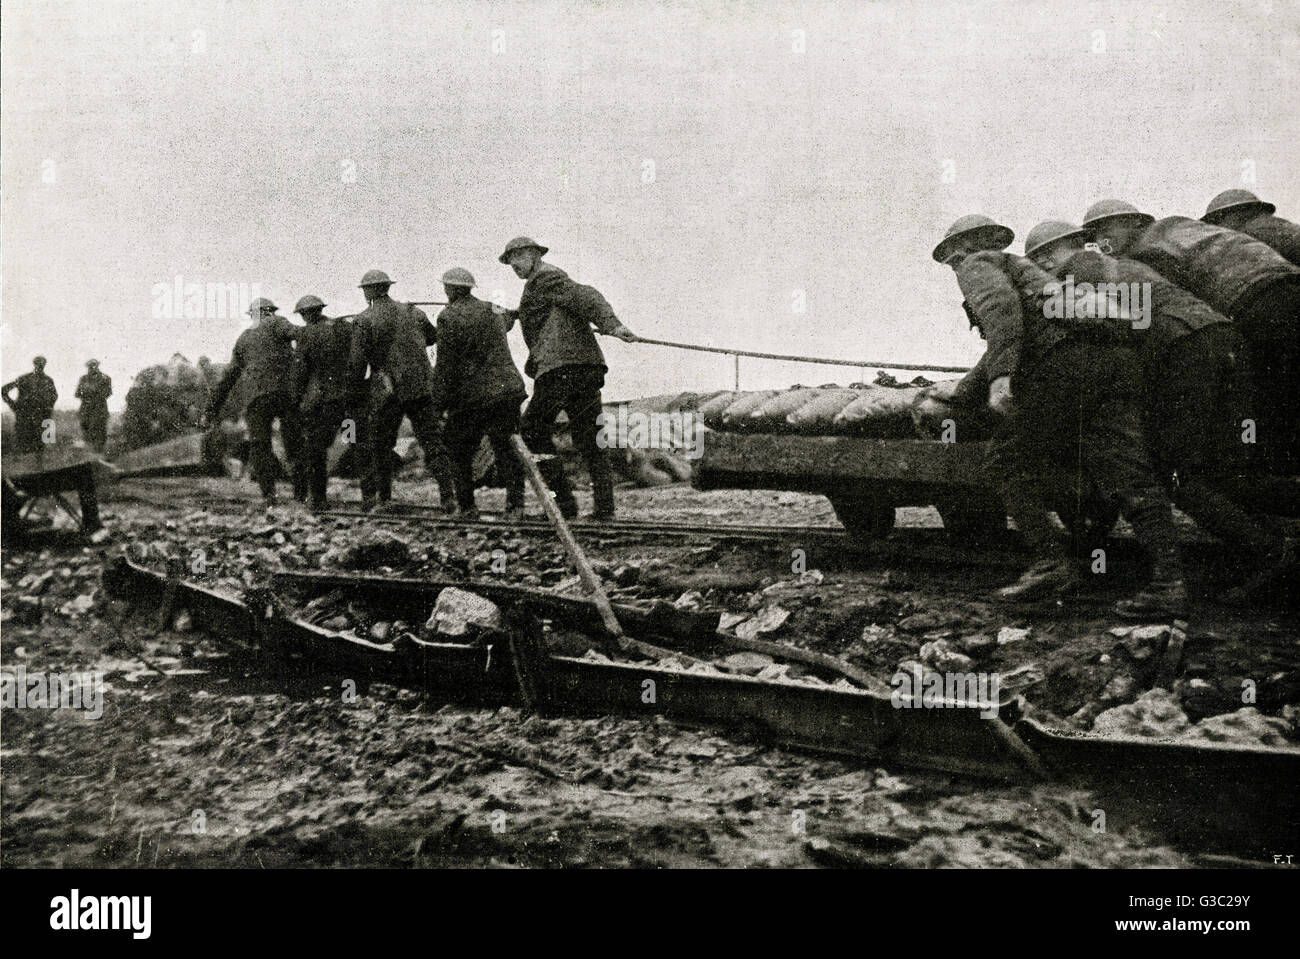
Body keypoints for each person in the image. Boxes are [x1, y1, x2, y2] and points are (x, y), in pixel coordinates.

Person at [934, 214, 1187, 620]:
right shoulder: (1033, 275)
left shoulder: (976, 263)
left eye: (949, 259)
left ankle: (1052, 565)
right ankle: (1170, 584)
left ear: (956, 250)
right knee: (1127, 472)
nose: (952, 266)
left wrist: (1001, 381)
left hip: (1065, 366)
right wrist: (966, 389)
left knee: (1006, 461)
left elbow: (1002, 315)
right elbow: (1020, 327)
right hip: (1114, 363)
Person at [1024, 219, 1294, 598]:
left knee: (1176, 476)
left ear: (1050, 255)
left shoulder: (1078, 268)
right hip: (1223, 340)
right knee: (1228, 471)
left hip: (1185, 350)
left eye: (1040, 259)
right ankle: (1274, 545)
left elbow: (1120, 327)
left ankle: (1273, 552)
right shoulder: (1132, 266)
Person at [1083, 198, 1300, 475]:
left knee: (1264, 403)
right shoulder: (1181, 225)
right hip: (1288, 282)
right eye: (1095, 236)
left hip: (1253, 301)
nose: (1102, 242)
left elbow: (1186, 304)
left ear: (1133, 223)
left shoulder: (1144, 251)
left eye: (1106, 231)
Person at [498, 236, 637, 520]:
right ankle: (604, 509)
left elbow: (587, 296)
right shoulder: (540, 287)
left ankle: (564, 505)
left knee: (533, 430)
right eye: (510, 261)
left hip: (561, 368)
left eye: (519, 258)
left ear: (534, 255)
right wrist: (515, 315)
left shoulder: (548, 278)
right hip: (585, 367)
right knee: (590, 438)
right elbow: (546, 309)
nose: (514, 265)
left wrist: (613, 325)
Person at [348, 269, 457, 511]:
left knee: (381, 444)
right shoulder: (413, 312)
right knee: (433, 442)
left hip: (389, 391)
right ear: (388, 287)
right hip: (421, 387)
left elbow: (357, 365)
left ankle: (384, 499)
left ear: (367, 292)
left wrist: (357, 392)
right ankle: (449, 498)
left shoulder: (363, 320)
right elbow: (432, 338)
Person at [431, 268, 527, 520]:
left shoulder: (447, 316)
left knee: (458, 450)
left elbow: (445, 366)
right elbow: (505, 322)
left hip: (473, 397)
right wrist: (513, 315)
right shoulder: (493, 309)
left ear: (449, 289)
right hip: (508, 390)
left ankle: (467, 508)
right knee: (507, 448)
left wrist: (438, 403)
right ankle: (515, 507)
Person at [204, 297, 304, 503]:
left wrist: (211, 410)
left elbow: (227, 378)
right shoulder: (277, 322)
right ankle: (301, 494)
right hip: (285, 395)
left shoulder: (244, 338)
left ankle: (269, 496)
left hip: (256, 399)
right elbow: (300, 334)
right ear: (270, 312)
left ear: (253, 315)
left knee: (260, 446)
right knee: (294, 443)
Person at [291, 295, 374, 513]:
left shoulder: (307, 334)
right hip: (350, 401)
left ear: (305, 314)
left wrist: (297, 399)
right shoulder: (344, 327)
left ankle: (318, 500)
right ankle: (370, 498)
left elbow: (300, 372)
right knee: (356, 444)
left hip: (326, 406)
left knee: (317, 449)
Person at [1202, 189, 1300, 267]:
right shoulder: (1279, 226)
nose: (1216, 228)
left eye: (1216, 221)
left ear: (1232, 216)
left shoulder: (1249, 236)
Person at [2, 356, 58, 453]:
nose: (40, 366)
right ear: (34, 364)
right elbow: (4, 390)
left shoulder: (48, 380)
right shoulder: (24, 379)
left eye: (42, 365)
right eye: (38, 364)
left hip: (41, 418)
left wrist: (48, 408)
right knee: (24, 447)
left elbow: (54, 396)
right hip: (24, 418)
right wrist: (14, 406)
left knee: (41, 449)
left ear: (44, 365)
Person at [75, 359, 112, 452]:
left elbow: (108, 393)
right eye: (90, 366)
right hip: (86, 409)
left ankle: (99, 453)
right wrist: (88, 392)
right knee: (86, 431)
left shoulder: (105, 378)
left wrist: (93, 392)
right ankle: (89, 452)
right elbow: (77, 393)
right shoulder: (83, 379)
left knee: (100, 432)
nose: (92, 368)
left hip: (99, 409)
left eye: (94, 366)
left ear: (97, 366)